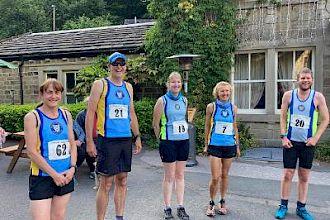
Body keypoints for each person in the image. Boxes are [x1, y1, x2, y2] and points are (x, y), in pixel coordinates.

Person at [86, 52, 142, 220]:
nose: (119, 67)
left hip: (125, 139)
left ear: (125, 67)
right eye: (115, 64)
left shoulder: (128, 87)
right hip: (107, 140)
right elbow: (90, 113)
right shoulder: (100, 85)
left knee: (123, 179)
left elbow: (131, 113)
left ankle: (119, 216)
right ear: (109, 66)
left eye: (122, 64)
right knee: (106, 183)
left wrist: (137, 136)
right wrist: (89, 141)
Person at [275, 67, 329, 220]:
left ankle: (301, 207)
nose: (305, 80)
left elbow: (326, 119)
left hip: (307, 144)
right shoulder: (288, 95)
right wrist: (284, 137)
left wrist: (315, 138)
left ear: (312, 80)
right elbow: (283, 117)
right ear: (297, 80)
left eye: (308, 78)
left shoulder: (317, 97)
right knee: (287, 174)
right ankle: (283, 205)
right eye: (302, 78)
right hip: (290, 143)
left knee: (304, 176)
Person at [24, 78, 77, 220]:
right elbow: (31, 152)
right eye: (50, 92)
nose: (54, 96)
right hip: (42, 177)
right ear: (42, 94)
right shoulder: (32, 117)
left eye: (57, 92)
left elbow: (72, 143)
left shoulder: (66, 115)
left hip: (65, 175)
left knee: (58, 216)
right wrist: (54, 175)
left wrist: (72, 167)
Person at [152, 72, 190, 220]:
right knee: (169, 176)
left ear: (181, 84)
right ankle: (167, 207)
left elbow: (183, 119)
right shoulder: (162, 101)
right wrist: (161, 140)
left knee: (180, 175)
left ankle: (180, 206)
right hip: (168, 142)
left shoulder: (185, 100)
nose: (176, 85)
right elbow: (155, 123)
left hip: (183, 140)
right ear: (168, 84)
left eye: (178, 82)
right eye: (173, 82)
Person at [203, 81, 240, 217]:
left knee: (224, 175)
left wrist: (237, 146)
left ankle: (222, 201)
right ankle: (211, 202)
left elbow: (234, 127)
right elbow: (207, 126)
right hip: (215, 145)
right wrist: (206, 144)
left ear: (230, 93)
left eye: (227, 91)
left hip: (229, 144)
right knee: (215, 177)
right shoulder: (211, 107)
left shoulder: (233, 108)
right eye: (222, 91)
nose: (225, 93)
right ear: (217, 93)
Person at [75, 96, 96, 179]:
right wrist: (83, 140)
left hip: (99, 138)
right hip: (85, 139)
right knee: (87, 150)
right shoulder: (81, 115)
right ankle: (92, 170)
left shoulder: (100, 114)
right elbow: (78, 130)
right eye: (88, 103)